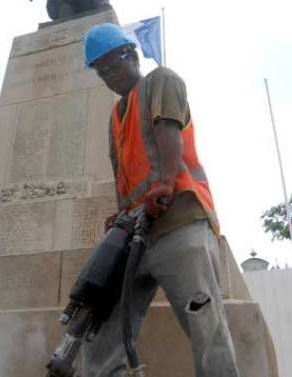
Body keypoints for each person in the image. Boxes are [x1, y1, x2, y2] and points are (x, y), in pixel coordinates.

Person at [81, 23, 242, 377]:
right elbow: (125, 171)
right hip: (136, 231)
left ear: (132, 55)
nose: (108, 75)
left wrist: (167, 183)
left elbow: (167, 130)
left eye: (112, 64)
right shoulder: (116, 115)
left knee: (204, 323)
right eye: (100, 71)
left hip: (179, 222)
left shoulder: (161, 81)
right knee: (104, 329)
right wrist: (121, 212)